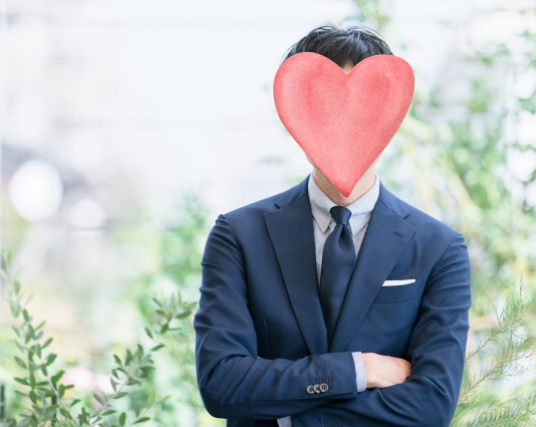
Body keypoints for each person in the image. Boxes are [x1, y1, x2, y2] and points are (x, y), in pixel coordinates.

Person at [194, 23, 471, 427]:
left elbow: (432, 403)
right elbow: (222, 383)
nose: (343, 124)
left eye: (363, 108)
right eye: (323, 106)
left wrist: (288, 419)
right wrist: (361, 370)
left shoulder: (438, 248)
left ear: (388, 114)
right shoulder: (238, 236)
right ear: (296, 114)